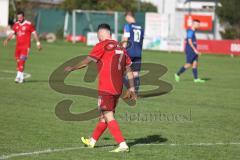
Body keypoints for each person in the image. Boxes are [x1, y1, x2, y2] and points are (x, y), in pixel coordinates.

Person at [65, 24, 137, 152]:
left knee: (108, 115)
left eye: (98, 36)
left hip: (106, 87)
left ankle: (122, 144)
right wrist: (132, 88)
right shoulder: (120, 46)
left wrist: (73, 68)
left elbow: (87, 61)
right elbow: (129, 68)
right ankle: (92, 141)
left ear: (100, 34)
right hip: (118, 88)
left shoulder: (102, 45)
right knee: (104, 116)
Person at [3, 11, 42, 83]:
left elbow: (34, 33)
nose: (19, 18)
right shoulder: (16, 25)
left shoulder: (29, 24)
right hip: (18, 47)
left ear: (23, 17)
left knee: (22, 61)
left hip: (26, 47)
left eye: (20, 17)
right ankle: (22, 77)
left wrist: (38, 43)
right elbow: (12, 33)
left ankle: (18, 77)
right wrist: (7, 40)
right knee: (18, 62)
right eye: (18, 17)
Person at [122, 11, 144, 93]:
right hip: (138, 53)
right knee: (135, 74)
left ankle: (130, 89)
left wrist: (122, 51)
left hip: (129, 52)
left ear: (128, 16)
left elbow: (125, 39)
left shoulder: (128, 26)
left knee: (121, 73)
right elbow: (141, 40)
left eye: (126, 18)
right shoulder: (141, 27)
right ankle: (135, 93)